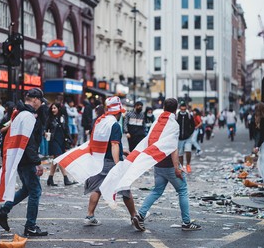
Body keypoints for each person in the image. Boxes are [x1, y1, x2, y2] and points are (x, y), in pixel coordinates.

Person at [136, 98, 201, 231]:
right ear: (176, 109)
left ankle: (141, 215)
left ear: (164, 106)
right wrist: (177, 168)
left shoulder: (157, 122)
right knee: (182, 190)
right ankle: (186, 223)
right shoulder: (173, 124)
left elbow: (150, 140)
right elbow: (173, 148)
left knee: (156, 191)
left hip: (158, 164)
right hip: (169, 165)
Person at [0, 88, 47, 237]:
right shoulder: (28, 116)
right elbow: (29, 142)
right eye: (40, 101)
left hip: (19, 158)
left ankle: (3, 211)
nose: (41, 104)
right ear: (35, 99)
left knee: (27, 189)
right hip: (27, 159)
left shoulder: (18, 113)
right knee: (35, 191)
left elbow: (5, 130)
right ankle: (30, 226)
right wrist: (37, 162)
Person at [83, 97, 140, 227]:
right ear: (117, 112)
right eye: (120, 112)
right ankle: (134, 216)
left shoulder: (100, 121)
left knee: (97, 189)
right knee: (125, 188)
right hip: (111, 161)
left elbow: (104, 142)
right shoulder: (114, 125)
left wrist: (122, 151)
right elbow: (114, 144)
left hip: (99, 160)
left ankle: (89, 215)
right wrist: (118, 163)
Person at [45, 103, 77, 186]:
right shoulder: (50, 118)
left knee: (55, 160)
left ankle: (50, 179)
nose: (53, 110)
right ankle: (66, 179)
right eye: (52, 108)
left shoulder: (63, 117)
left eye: (55, 108)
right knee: (60, 158)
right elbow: (44, 129)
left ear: (59, 108)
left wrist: (69, 140)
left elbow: (66, 129)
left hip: (62, 141)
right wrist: (45, 133)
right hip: (53, 140)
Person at [176, 101, 195, 173]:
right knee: (180, 154)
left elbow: (193, 126)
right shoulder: (177, 116)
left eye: (184, 109)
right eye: (182, 109)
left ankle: (188, 165)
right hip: (179, 138)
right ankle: (181, 167)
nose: (183, 110)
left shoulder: (189, 116)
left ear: (186, 108)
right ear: (180, 108)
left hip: (188, 137)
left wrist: (190, 133)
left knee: (188, 151)